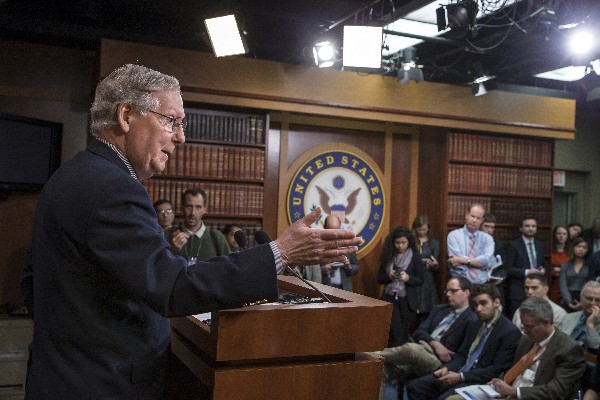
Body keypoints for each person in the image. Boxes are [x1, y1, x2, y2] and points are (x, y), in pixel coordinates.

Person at [23, 64, 362, 399]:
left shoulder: (67, 177)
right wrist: (281, 252)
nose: (181, 137)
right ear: (126, 116)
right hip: (103, 386)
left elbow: (32, 285)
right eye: (171, 120)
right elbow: (172, 288)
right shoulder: (114, 189)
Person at [451, 296, 586, 400]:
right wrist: (501, 383)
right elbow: (515, 368)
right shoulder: (527, 340)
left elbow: (557, 391)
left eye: (529, 327)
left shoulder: (568, 349)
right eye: (523, 327)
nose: (525, 331)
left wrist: (514, 392)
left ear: (546, 322)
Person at [405, 284, 521, 400]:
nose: (478, 309)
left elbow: (495, 370)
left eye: (483, 303)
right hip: (459, 372)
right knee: (415, 386)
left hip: (481, 381)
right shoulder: (474, 324)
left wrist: (461, 377)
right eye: (475, 305)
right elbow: (462, 355)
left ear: (496, 302)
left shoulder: (509, 332)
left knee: (445, 398)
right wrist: (447, 369)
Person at [376, 277, 477, 400]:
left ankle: (367, 354)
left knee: (412, 349)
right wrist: (435, 344)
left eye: (453, 291)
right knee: (380, 369)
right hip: (420, 353)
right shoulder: (439, 309)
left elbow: (462, 356)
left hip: (440, 364)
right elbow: (419, 331)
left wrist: (433, 349)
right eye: (447, 291)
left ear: (467, 293)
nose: (449, 294)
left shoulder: (472, 320)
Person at [378, 226, 424, 347]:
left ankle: (401, 362)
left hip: (407, 300)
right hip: (390, 297)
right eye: (397, 243)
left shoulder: (415, 257)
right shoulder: (388, 256)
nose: (400, 246)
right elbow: (380, 279)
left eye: (403, 243)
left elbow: (421, 280)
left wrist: (408, 278)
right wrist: (390, 276)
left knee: (404, 333)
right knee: (396, 333)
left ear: (409, 242)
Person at [164, 187, 231, 263]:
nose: (193, 213)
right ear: (182, 208)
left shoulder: (216, 236)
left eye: (198, 207)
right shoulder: (168, 234)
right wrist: (171, 250)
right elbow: (157, 267)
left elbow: (229, 267)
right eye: (189, 207)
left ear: (204, 209)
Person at [504, 217, 547, 318]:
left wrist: (543, 270)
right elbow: (507, 269)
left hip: (536, 291)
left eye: (533, 226)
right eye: (527, 226)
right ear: (521, 228)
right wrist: (527, 272)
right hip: (518, 290)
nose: (530, 228)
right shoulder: (513, 245)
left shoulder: (540, 245)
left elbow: (543, 264)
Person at [447, 203, 495, 285]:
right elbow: (455, 263)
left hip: (482, 284)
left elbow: (486, 261)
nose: (474, 220)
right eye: (472, 216)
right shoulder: (454, 235)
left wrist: (462, 260)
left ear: (482, 221)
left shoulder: (488, 239)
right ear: (466, 215)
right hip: (460, 284)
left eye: (478, 218)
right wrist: (479, 262)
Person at [410, 214, 440, 327]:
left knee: (427, 309)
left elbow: (436, 263)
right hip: (413, 277)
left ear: (428, 228)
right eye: (419, 229)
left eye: (424, 229)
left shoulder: (434, 243)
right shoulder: (411, 241)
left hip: (427, 278)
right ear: (415, 228)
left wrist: (434, 264)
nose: (422, 232)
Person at [320, 215, 359, 291]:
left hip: (344, 289)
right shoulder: (316, 244)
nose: (334, 234)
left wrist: (348, 267)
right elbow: (309, 270)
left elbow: (356, 267)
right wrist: (321, 270)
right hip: (324, 289)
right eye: (331, 230)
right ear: (324, 227)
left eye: (336, 229)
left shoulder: (348, 243)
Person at [561, 281, 600, 354]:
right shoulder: (569, 317)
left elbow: (596, 350)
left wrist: (590, 325)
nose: (593, 303)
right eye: (589, 298)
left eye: (598, 300)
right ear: (581, 299)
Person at [559, 236, 591, 311]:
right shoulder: (565, 265)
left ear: (587, 250)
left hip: (585, 298)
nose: (581, 249)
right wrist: (569, 301)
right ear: (573, 248)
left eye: (584, 247)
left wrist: (583, 301)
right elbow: (563, 285)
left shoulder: (590, 266)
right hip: (568, 298)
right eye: (578, 246)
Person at [549, 224, 570, 304]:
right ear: (554, 235)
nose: (561, 236)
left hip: (567, 284)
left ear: (567, 236)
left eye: (564, 234)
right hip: (552, 284)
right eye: (559, 233)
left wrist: (560, 270)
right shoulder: (549, 250)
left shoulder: (570, 252)